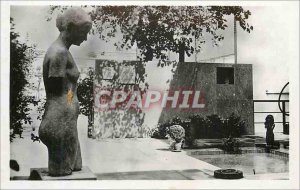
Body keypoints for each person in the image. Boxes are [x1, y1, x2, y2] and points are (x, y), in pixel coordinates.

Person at [39, 8, 92, 176]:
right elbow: (56, 94)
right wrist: (70, 103)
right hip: (59, 125)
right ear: (70, 27)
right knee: (63, 175)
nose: (85, 37)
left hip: (67, 122)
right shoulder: (59, 53)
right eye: (83, 32)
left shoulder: (63, 51)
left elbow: (67, 91)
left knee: (77, 168)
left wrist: (72, 103)